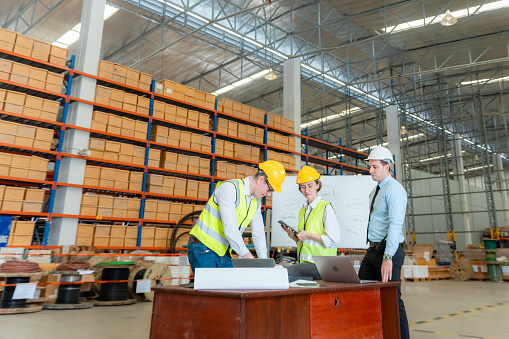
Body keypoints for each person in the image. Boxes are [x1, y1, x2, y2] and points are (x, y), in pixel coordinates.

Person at [188, 160, 286, 274]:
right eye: (270, 189)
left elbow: (258, 232)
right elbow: (230, 230)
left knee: (229, 289)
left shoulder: (256, 201)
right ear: (261, 179)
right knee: (210, 290)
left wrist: (264, 264)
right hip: (203, 248)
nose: (269, 194)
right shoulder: (229, 189)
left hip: (222, 252)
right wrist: (251, 260)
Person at [358, 146, 409, 339]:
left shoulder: (395, 190)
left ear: (387, 167)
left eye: (375, 167)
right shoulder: (376, 191)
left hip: (388, 252)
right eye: (370, 167)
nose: (370, 170)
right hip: (373, 251)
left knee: (392, 300)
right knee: (363, 294)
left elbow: (395, 225)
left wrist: (388, 257)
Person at [283, 166, 340, 280]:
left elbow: (334, 241)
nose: (306, 190)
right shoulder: (303, 210)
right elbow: (306, 242)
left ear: (317, 185)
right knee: (281, 273)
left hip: (321, 265)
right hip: (306, 263)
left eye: (310, 186)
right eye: (303, 187)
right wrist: (294, 237)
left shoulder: (325, 208)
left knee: (283, 274)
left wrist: (308, 235)